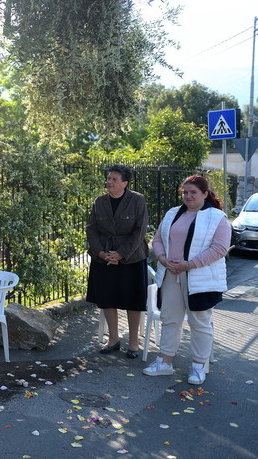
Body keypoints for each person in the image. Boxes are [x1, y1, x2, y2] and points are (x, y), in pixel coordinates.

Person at [143, 175, 230, 385]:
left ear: (205, 194)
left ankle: (199, 366)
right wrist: (163, 259)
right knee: (170, 319)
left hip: (200, 278)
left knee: (199, 323)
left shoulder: (217, 217)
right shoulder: (173, 213)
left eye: (193, 192)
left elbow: (219, 249)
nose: (188, 196)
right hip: (172, 274)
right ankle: (165, 362)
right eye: (185, 192)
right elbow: (157, 239)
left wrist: (189, 265)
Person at [86, 165, 149, 358]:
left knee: (133, 301)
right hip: (103, 257)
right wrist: (101, 253)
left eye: (114, 179)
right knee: (107, 299)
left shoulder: (137, 200)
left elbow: (140, 231)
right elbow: (92, 228)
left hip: (131, 258)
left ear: (125, 183)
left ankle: (133, 343)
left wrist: (121, 254)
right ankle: (113, 339)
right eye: (108, 178)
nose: (109, 182)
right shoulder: (100, 201)